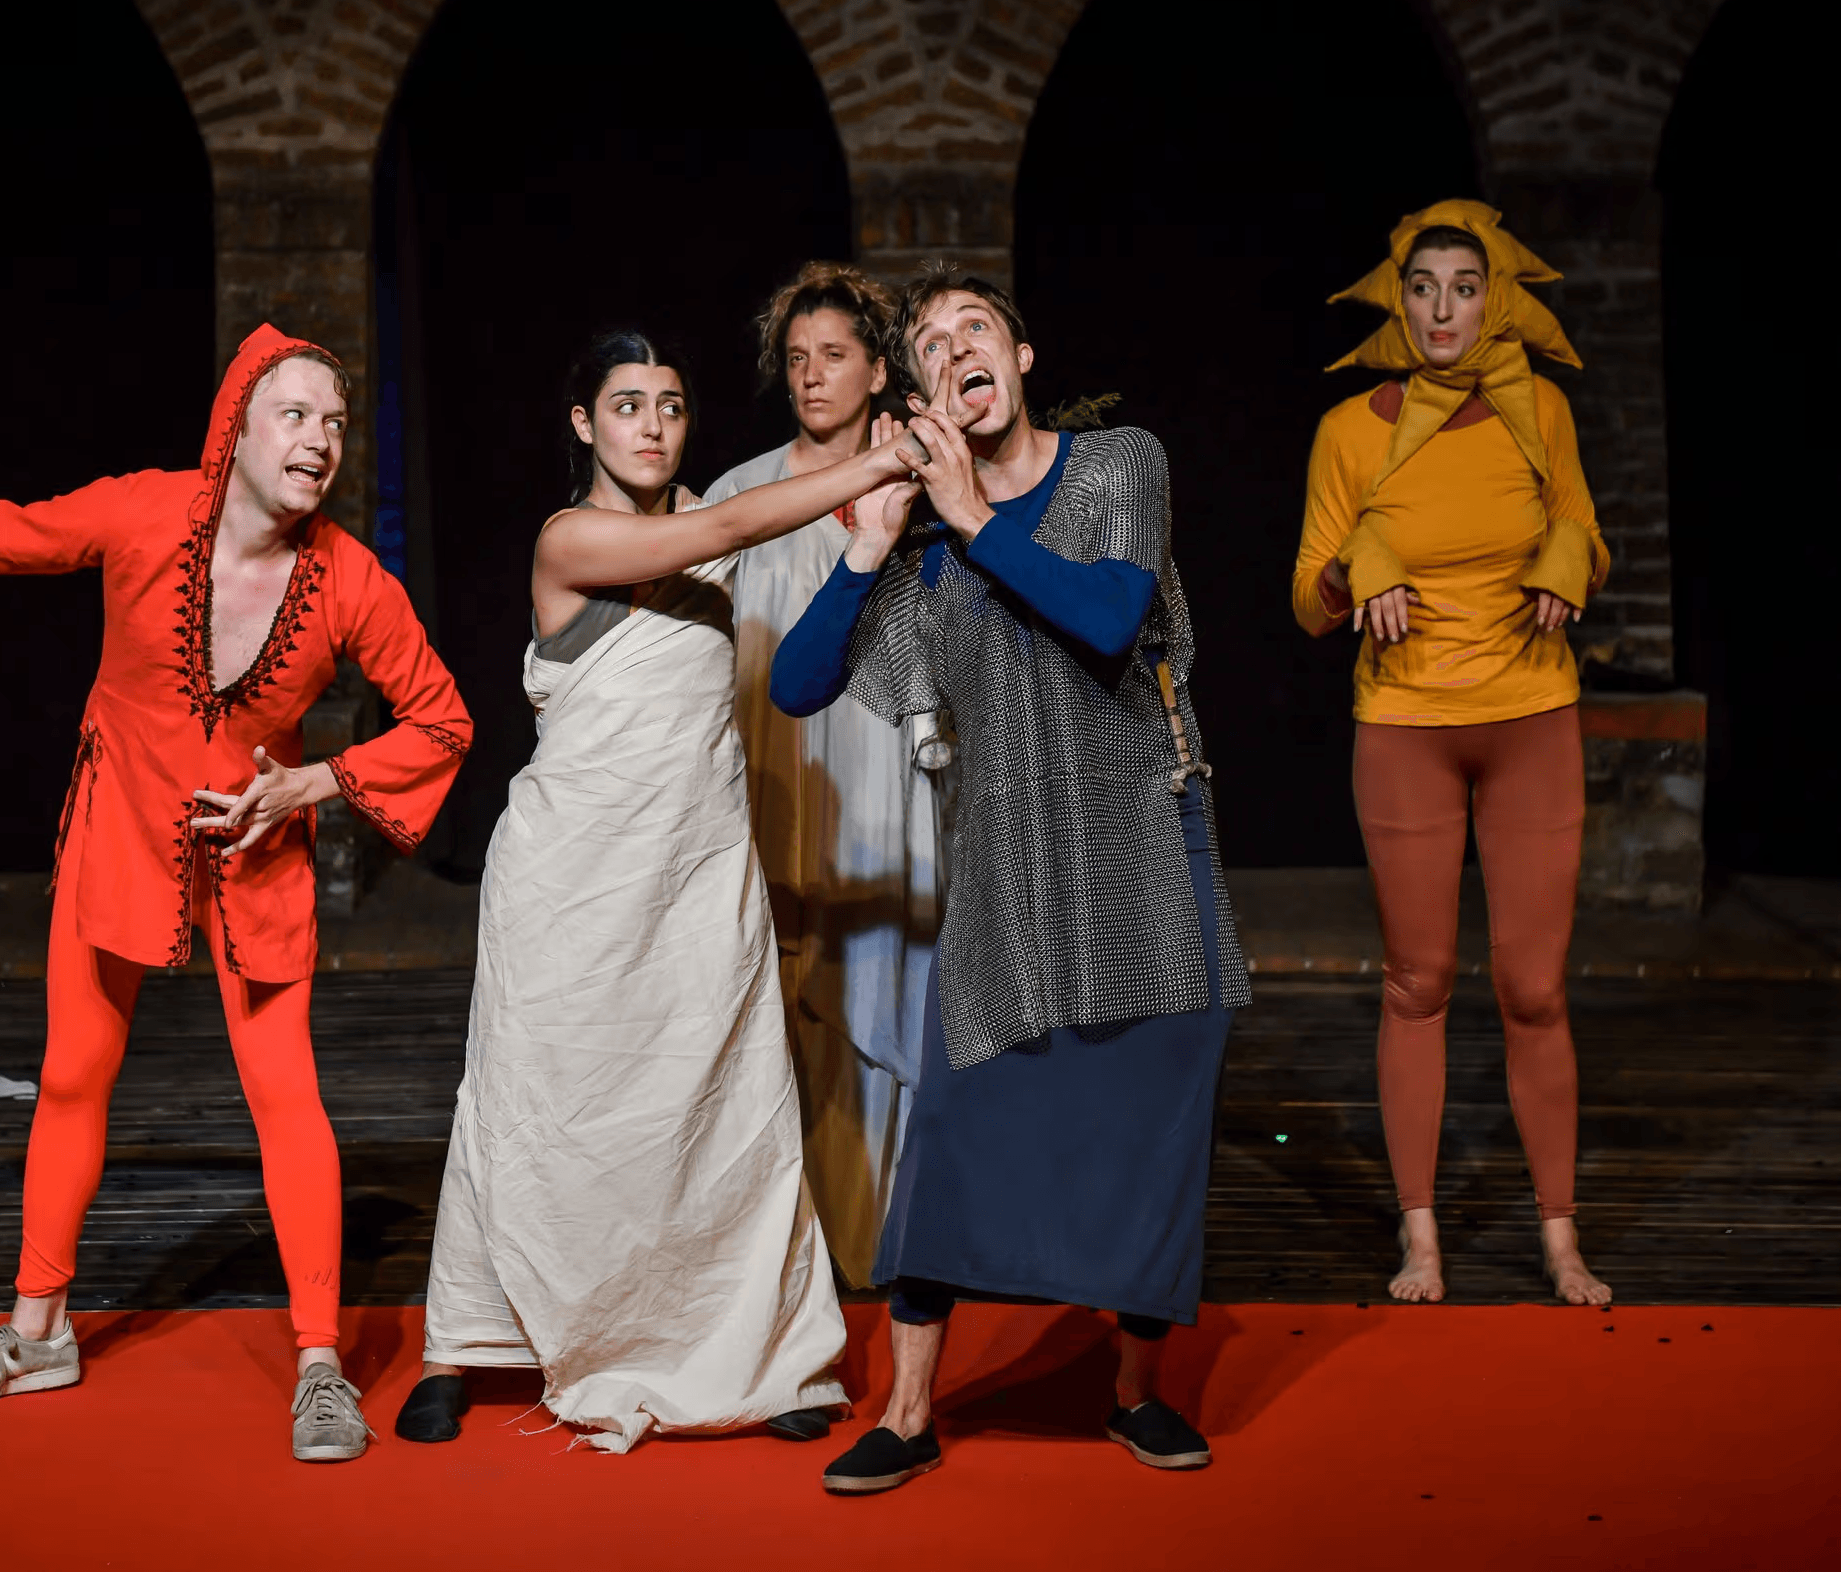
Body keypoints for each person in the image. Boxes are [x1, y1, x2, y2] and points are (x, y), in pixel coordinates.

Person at [0, 324, 472, 1462]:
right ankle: (37, 1328)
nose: (320, 438)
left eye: (336, 421)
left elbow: (442, 715)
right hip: (124, 821)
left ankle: (318, 1364)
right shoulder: (144, 512)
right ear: (238, 429)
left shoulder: (350, 579)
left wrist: (306, 783)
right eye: (296, 413)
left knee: (285, 1094)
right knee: (71, 1074)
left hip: (257, 846)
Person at [395, 329, 916, 1453]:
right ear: (583, 423)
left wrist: (876, 506)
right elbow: (727, 523)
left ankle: (769, 1349)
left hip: (692, 866)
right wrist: (878, 460)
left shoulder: (711, 538)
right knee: (530, 1100)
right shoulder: (572, 536)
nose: (651, 421)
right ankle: (468, 1340)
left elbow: (769, 544)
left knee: (723, 1100)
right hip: (570, 873)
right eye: (626, 403)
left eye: (671, 404)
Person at [772, 267, 1250, 1492]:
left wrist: (974, 513)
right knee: (951, 1130)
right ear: (923, 389)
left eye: (970, 327)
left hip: (1146, 843)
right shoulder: (923, 548)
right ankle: (911, 1406)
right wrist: (870, 544)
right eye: (927, 343)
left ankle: (1134, 1392)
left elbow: (1107, 614)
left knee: (1147, 1128)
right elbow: (798, 684)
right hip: (1005, 866)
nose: (951, 348)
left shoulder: (1115, 466)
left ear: (1022, 356)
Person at [1292, 200, 1611, 1307]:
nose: (1441, 307)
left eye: (1463, 287)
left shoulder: (1542, 415)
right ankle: (1419, 1234)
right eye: (1422, 286)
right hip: (1404, 727)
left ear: (1495, 298)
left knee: (1532, 987)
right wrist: (1354, 567)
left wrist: (1565, 556)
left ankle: (1559, 1235)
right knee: (1418, 980)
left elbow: (1585, 529)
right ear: (1398, 298)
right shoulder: (1349, 430)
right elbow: (1305, 597)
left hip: (1531, 718)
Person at [701, 263, 938, 1285]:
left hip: (886, 771)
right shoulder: (741, 494)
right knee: (777, 995)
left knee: (886, 979)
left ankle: (889, 1237)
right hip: (777, 768)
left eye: (833, 355)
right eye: (796, 359)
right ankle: (782, 1256)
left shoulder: (923, 487)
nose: (811, 376)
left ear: (877, 367)